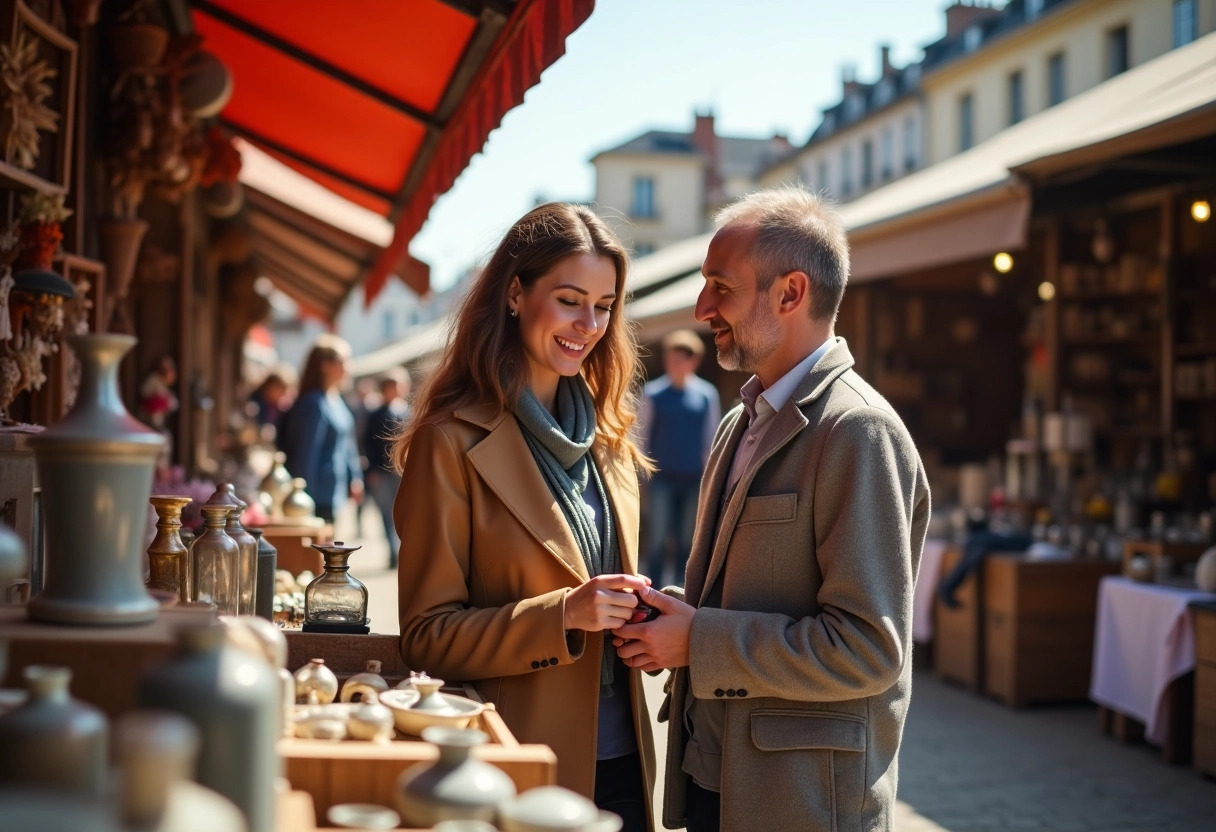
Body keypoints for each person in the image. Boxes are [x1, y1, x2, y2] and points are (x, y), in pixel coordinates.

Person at [614, 186, 931, 832]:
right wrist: (676, 613)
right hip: (719, 782)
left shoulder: (859, 432)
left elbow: (869, 650)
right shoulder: (740, 419)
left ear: (790, 294)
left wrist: (696, 638)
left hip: (799, 805)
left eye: (720, 288)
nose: (702, 308)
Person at [393, 203, 656, 830]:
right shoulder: (450, 441)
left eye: (604, 305)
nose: (588, 324)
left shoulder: (611, 438)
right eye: (569, 300)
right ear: (516, 293)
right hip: (517, 765)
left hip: (624, 764)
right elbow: (425, 637)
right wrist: (562, 615)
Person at [638, 329, 720, 586]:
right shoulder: (652, 393)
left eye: (678, 359)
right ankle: (651, 594)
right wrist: (641, 476)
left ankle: (683, 595)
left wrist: (711, 480)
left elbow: (712, 439)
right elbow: (641, 437)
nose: (672, 364)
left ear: (692, 361)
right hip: (662, 479)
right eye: (669, 358)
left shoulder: (707, 395)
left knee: (688, 543)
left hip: (694, 480)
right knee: (658, 541)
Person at [280, 334, 364, 524]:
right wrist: (304, 500)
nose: (348, 368)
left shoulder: (334, 399)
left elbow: (348, 442)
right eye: (344, 362)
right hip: (316, 497)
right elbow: (306, 453)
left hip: (333, 493)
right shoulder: (314, 403)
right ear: (325, 366)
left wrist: (355, 476)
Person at [364, 368, 410, 566]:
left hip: (404, 473)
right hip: (382, 473)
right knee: (386, 513)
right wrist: (371, 470)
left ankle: (404, 551)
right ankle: (393, 552)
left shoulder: (410, 412)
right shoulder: (376, 415)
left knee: (405, 515)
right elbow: (367, 443)